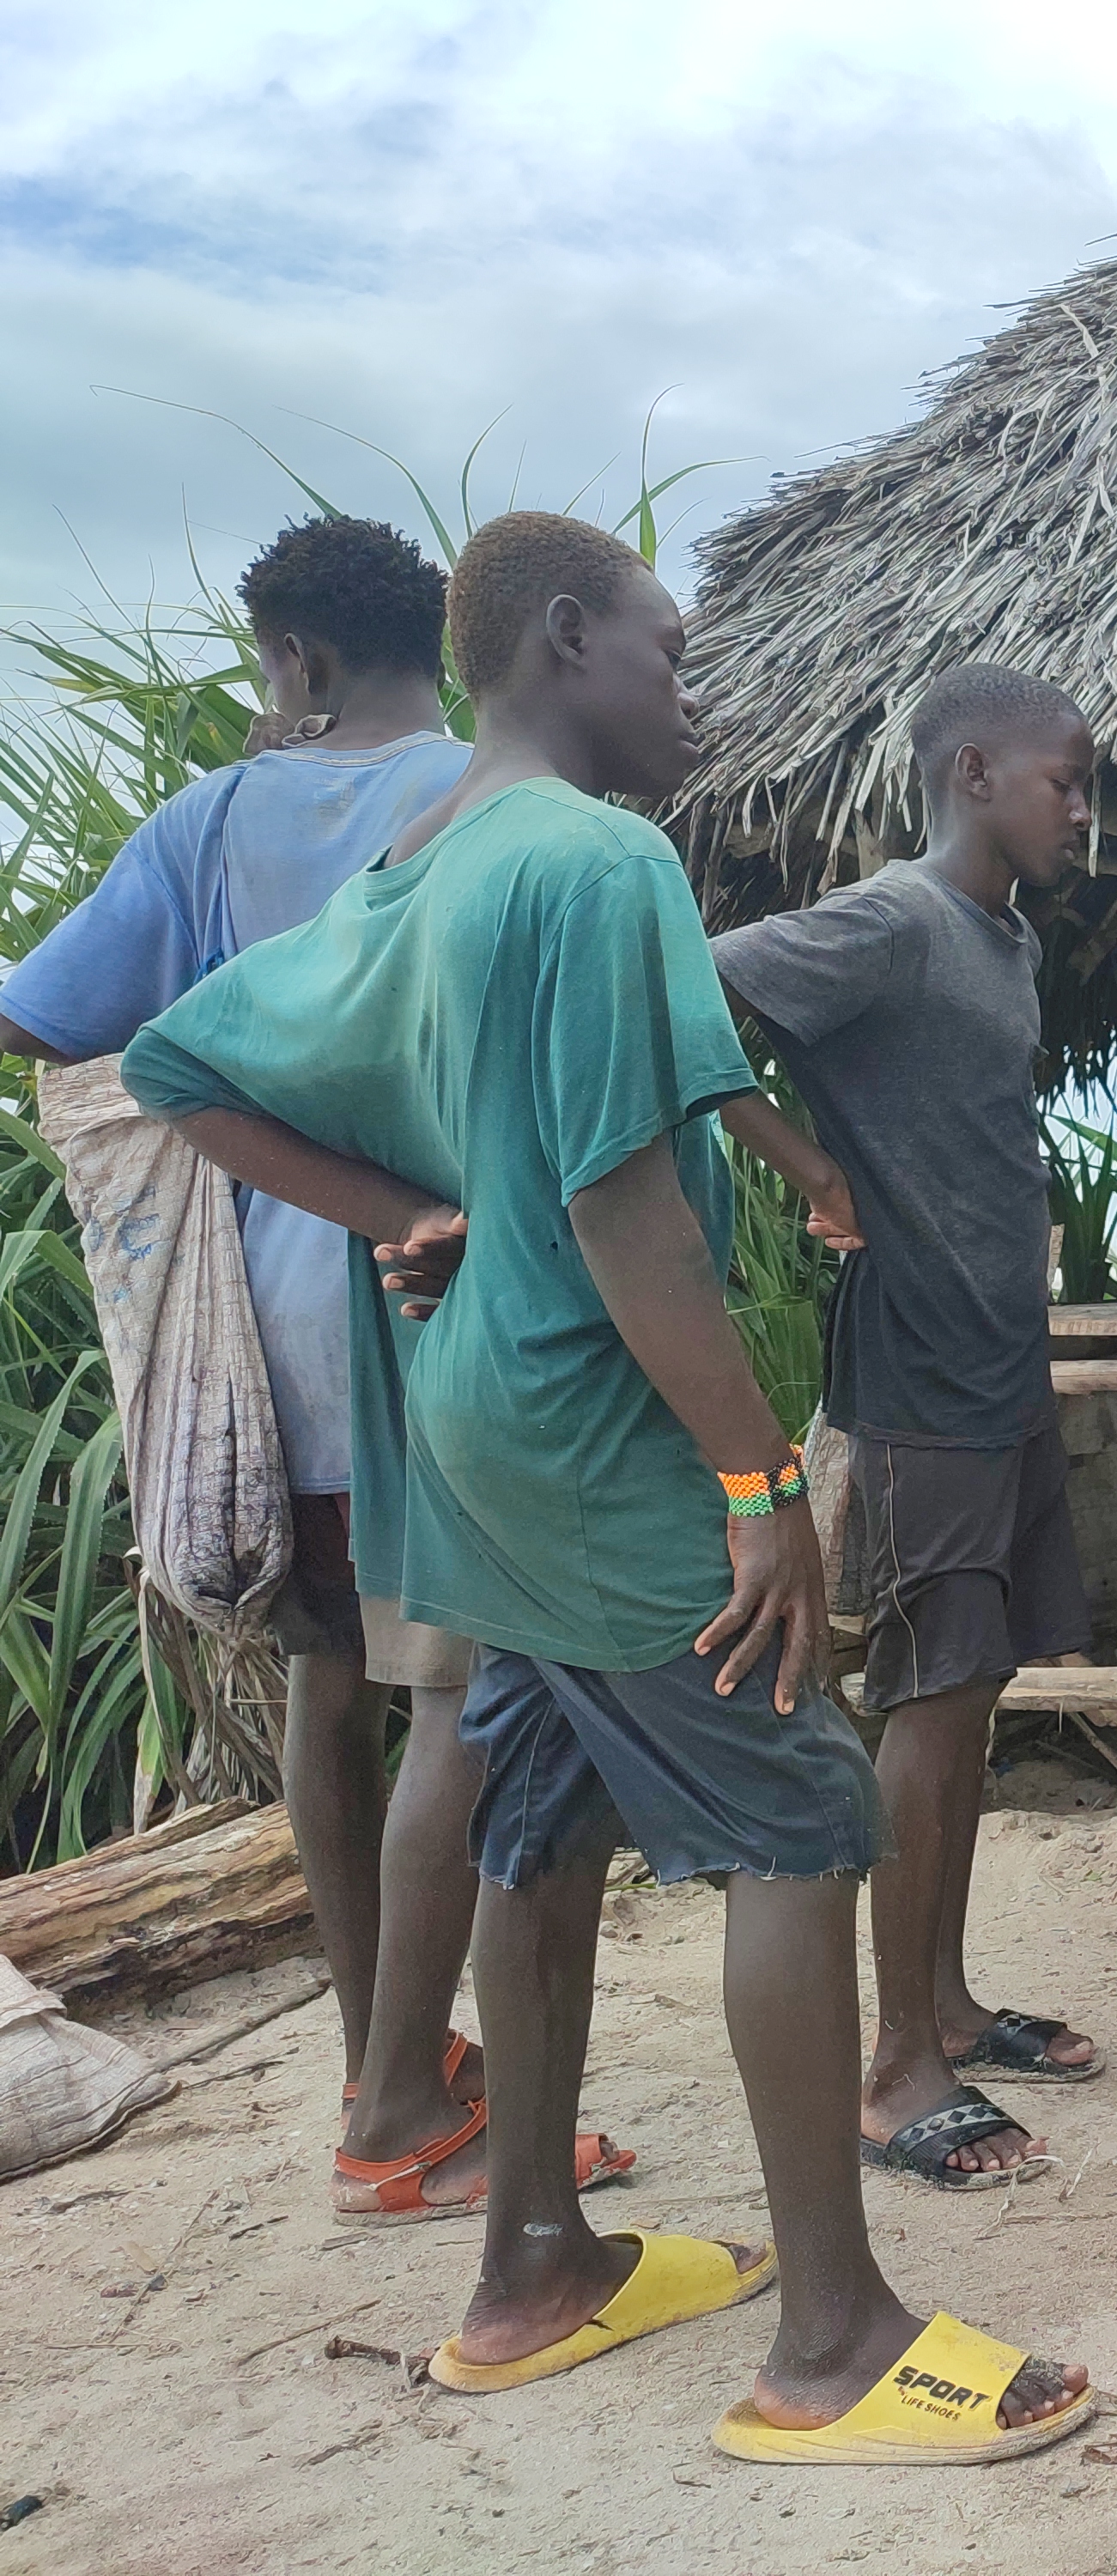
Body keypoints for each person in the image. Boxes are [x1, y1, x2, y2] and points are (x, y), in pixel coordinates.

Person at [122, 510, 1086, 2464]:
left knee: (540, 1812)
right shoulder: (594, 857)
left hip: (463, 1418)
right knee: (804, 1814)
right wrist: (757, 1480)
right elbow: (625, 1209)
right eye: (667, 646)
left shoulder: (429, 866)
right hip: (589, 1420)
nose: (692, 688)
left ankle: (534, 2265)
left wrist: (413, 1207)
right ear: (563, 638)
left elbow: (175, 1058)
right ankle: (834, 2341)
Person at [0, 513, 628, 2221]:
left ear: (288, 659)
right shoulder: (494, 802)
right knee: (463, 1704)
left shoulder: (211, 819)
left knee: (334, 1693)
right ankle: (404, 2108)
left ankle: (386, 2062)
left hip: (264, 1333)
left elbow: (47, 1015)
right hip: (437, 1303)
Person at [708, 662, 1099, 2190]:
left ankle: (944, 2001)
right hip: (922, 1373)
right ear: (974, 771)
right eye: (1064, 780)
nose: (1082, 808)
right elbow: (690, 994)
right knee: (929, 1705)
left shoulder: (1001, 941)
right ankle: (894, 2071)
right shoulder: (891, 920)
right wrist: (808, 1166)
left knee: (975, 1691)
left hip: (997, 1365)